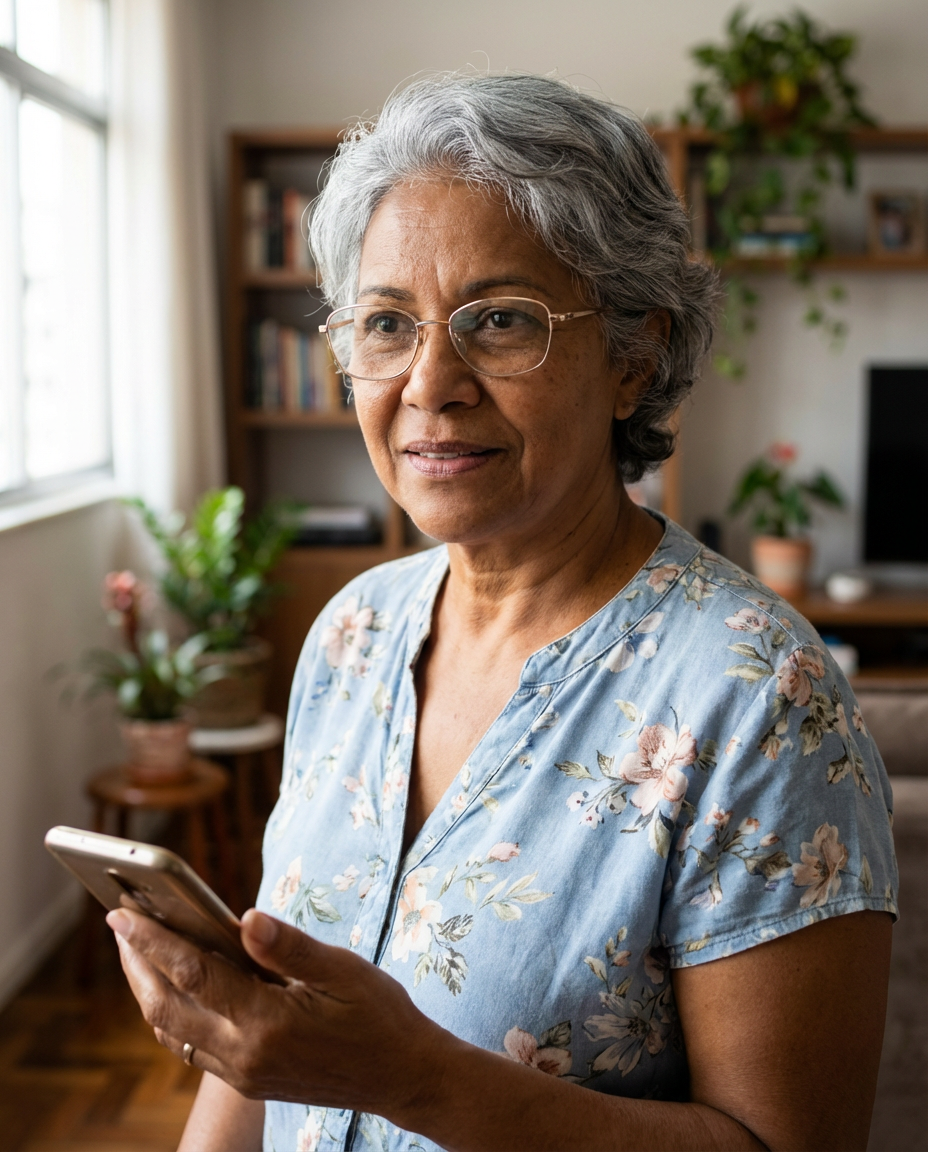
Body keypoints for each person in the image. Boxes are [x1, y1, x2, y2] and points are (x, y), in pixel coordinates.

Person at [108, 74, 897, 1152]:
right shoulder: (351, 632)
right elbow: (271, 1046)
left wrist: (416, 1081)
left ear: (633, 356)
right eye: (387, 323)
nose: (430, 382)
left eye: (501, 321)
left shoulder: (759, 694)